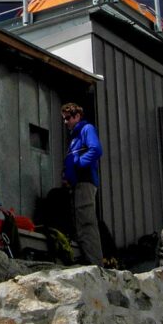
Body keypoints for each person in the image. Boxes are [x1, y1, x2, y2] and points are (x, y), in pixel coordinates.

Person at [61, 102, 104, 265]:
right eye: (64, 119)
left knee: (86, 222)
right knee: (79, 222)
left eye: (69, 118)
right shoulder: (74, 138)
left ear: (77, 116)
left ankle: (95, 263)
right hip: (76, 184)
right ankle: (88, 259)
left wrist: (78, 163)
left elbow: (96, 149)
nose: (66, 122)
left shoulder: (87, 129)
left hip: (85, 181)